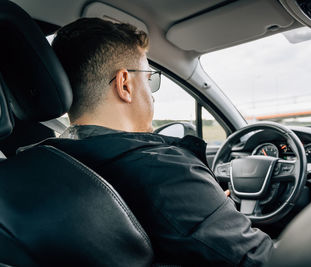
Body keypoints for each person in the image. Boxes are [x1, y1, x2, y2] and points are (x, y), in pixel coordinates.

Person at [44, 18, 273, 266]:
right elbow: (263, 259)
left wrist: (211, 209)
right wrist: (217, 211)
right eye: (149, 79)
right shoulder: (169, 174)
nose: (152, 96)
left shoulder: (37, 163)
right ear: (125, 84)